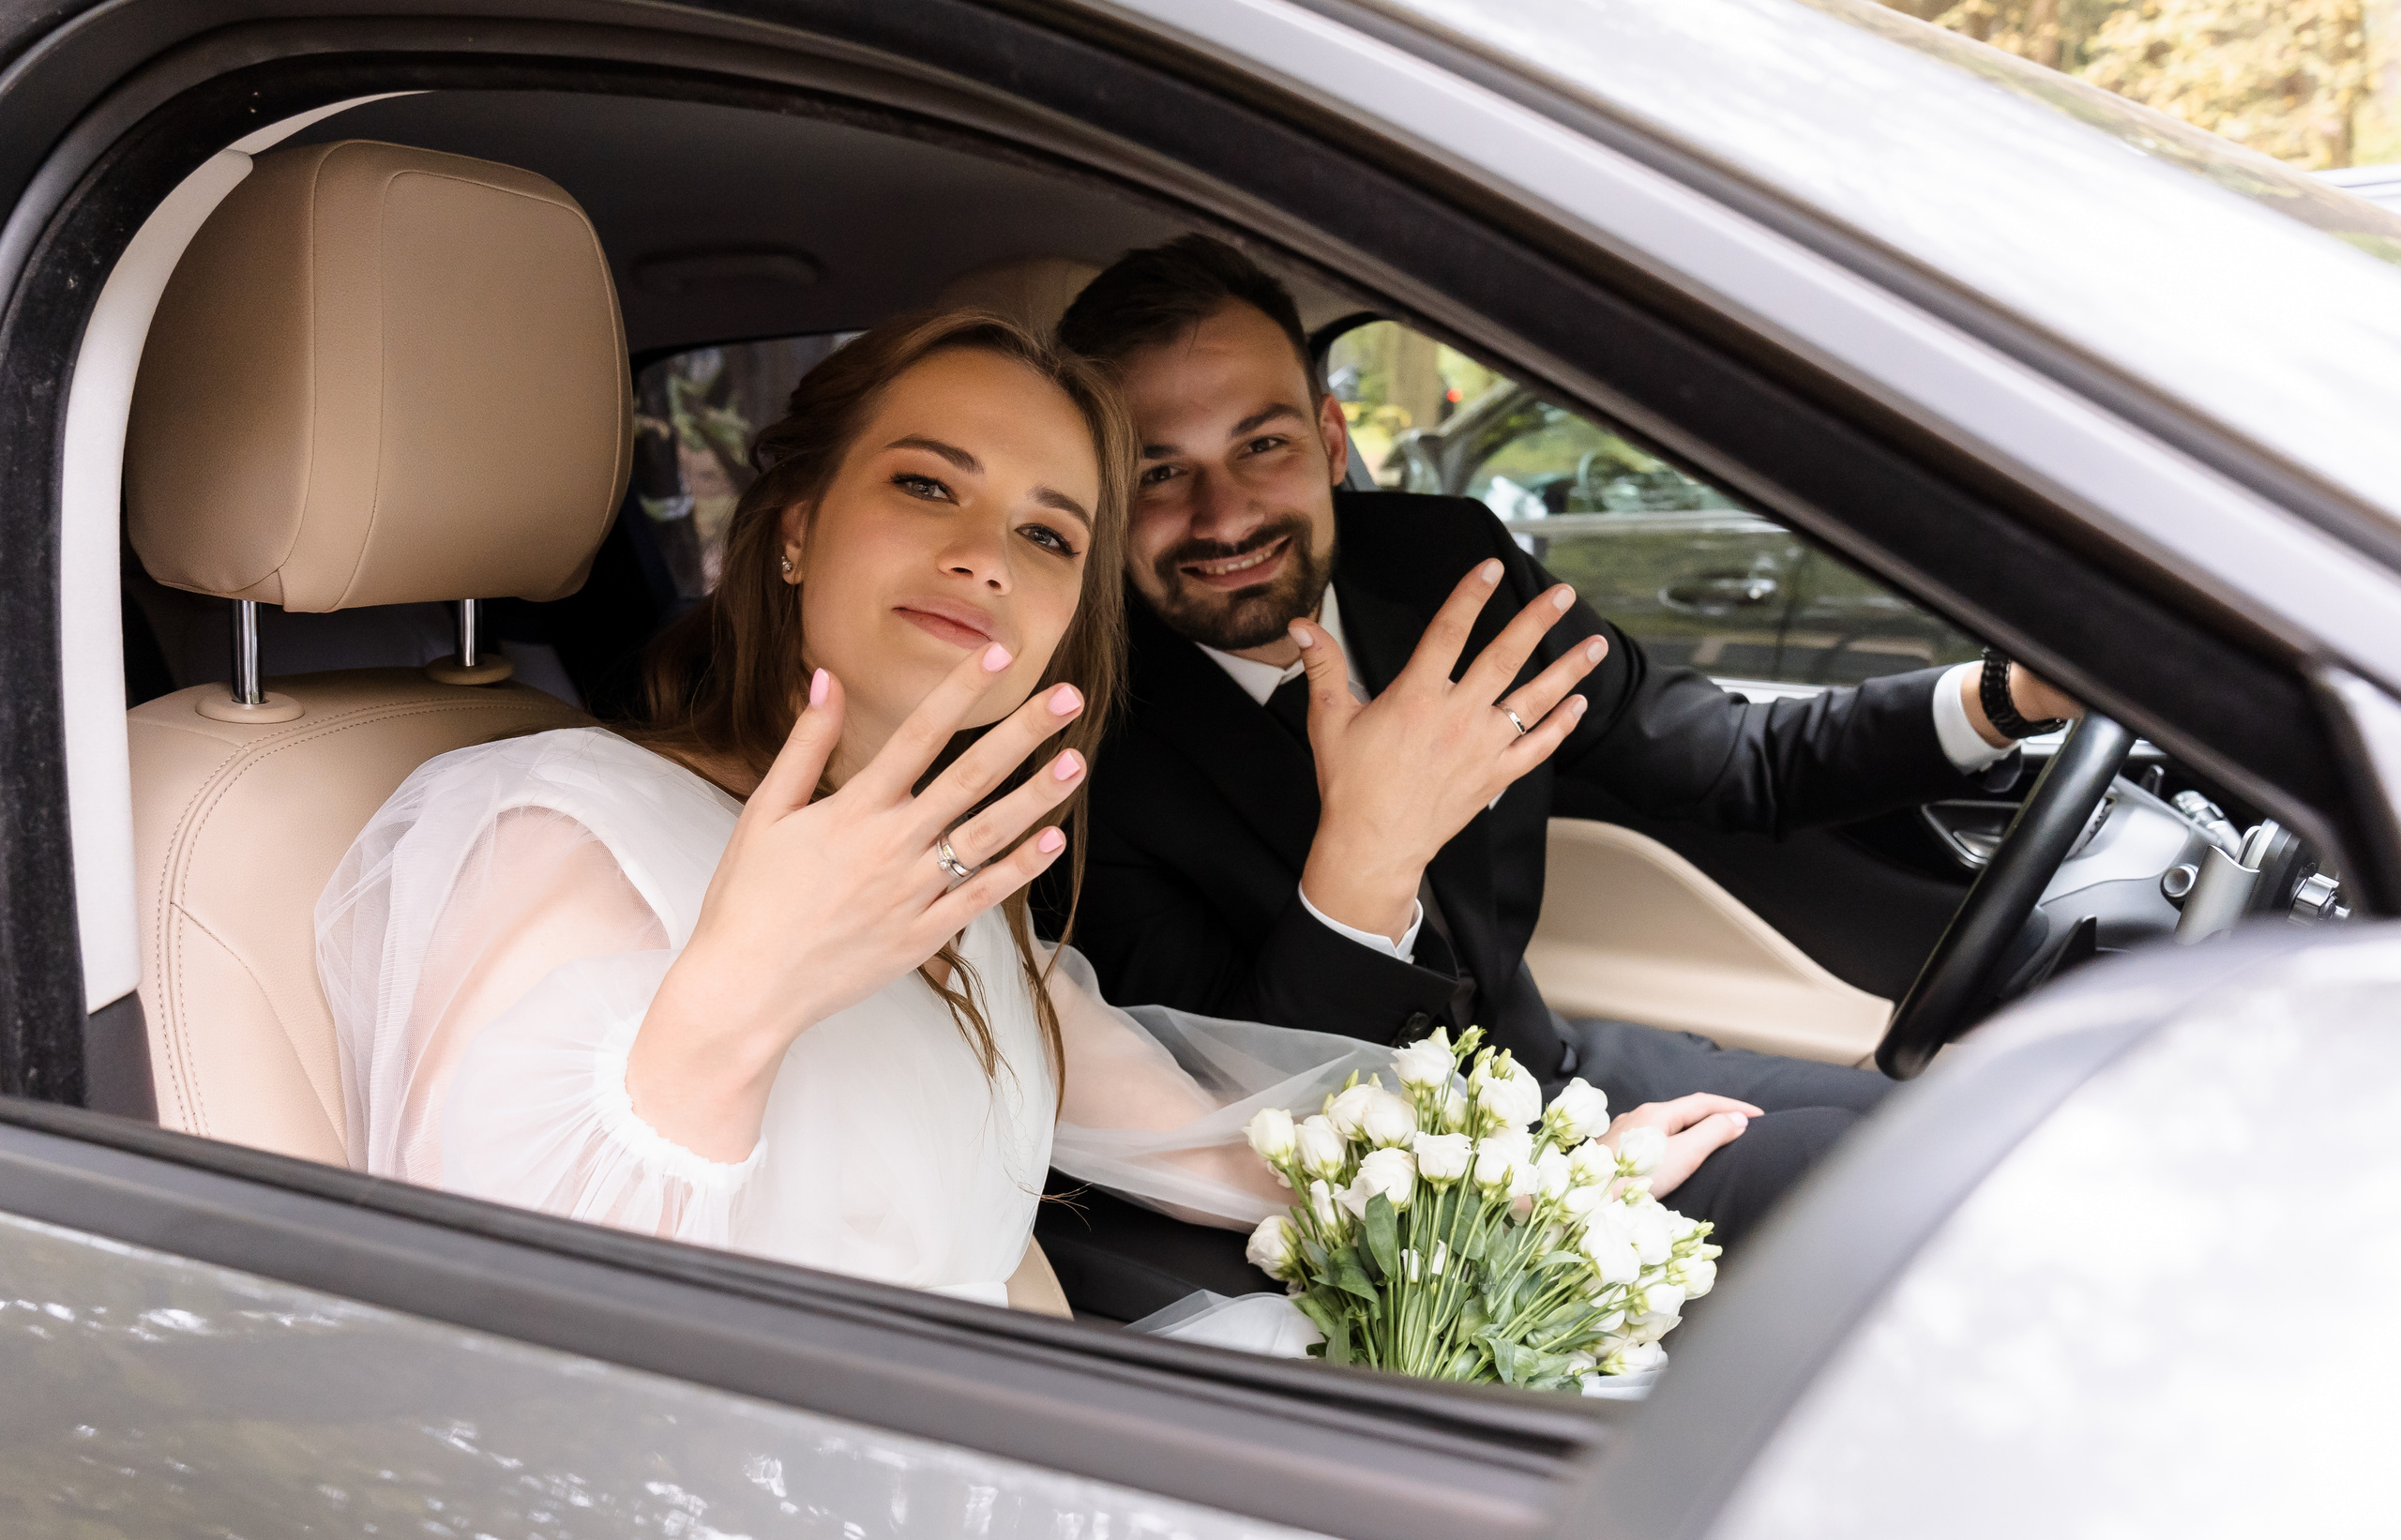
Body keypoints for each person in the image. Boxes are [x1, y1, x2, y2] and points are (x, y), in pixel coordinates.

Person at [315, 308, 1758, 1324]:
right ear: (802, 520)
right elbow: (485, 1357)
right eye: (928, 482)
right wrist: (736, 1005)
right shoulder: (556, 828)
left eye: (1049, 530)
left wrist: (1551, 1184)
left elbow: (1215, 1147)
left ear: (1078, 603)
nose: (981, 555)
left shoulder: (978, 891)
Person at [1034, 236, 2079, 1309]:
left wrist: (2011, 698)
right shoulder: (1078, 746)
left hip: (1536, 1067)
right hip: (1372, 1205)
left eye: (1262, 445)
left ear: (1330, 435)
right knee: (1864, 1194)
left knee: (1958, 1134)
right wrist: (1370, 852)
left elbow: (1732, 760)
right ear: (1101, 495)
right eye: (1158, 471)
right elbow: (1237, 1106)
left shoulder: (1446, 566)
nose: (1224, 516)